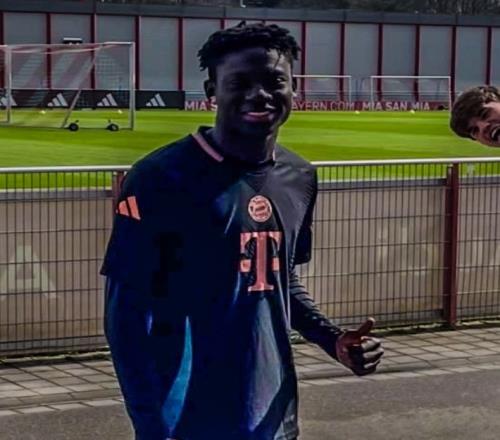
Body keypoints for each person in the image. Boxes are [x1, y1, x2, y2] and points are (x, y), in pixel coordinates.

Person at [101, 22, 383, 440]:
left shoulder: (299, 176)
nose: (259, 94)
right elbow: (125, 316)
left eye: (275, 81)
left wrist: (334, 340)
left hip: (272, 415)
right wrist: (152, 422)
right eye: (240, 83)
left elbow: (277, 279)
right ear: (212, 90)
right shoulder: (160, 177)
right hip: (186, 422)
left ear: (293, 88)